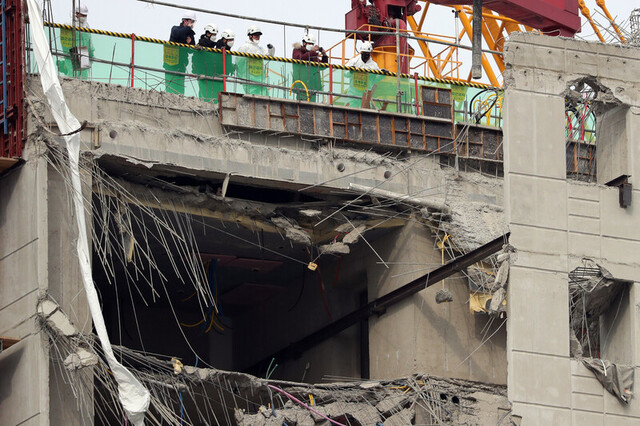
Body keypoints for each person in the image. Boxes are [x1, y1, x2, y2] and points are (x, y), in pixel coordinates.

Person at [193, 28, 236, 103]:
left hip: (219, 80)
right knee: (206, 97)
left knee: (217, 99)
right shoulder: (218, 49)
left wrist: (230, 68)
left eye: (232, 40)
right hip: (209, 77)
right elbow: (214, 63)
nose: (231, 42)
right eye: (229, 40)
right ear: (224, 40)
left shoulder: (227, 51)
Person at [57, 4, 94, 79]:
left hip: (83, 52)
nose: (84, 17)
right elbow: (65, 42)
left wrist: (91, 53)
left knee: (84, 77)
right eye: (82, 15)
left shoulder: (86, 26)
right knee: (72, 75)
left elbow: (88, 40)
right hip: (72, 53)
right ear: (77, 14)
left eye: (85, 15)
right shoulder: (69, 25)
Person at [236, 25, 275, 96]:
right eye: (256, 35)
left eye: (258, 35)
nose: (258, 37)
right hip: (249, 79)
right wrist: (241, 77)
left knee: (264, 98)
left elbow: (269, 57)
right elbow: (239, 63)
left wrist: (271, 49)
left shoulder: (260, 48)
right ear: (250, 36)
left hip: (260, 79)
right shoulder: (245, 47)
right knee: (252, 98)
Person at [163, 12, 197, 95]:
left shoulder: (190, 34)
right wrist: (188, 28)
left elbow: (191, 49)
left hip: (181, 64)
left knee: (180, 87)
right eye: (191, 22)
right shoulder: (175, 29)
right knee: (170, 86)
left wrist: (190, 43)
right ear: (185, 21)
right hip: (171, 63)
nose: (192, 24)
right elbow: (178, 34)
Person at [291, 33, 328, 102]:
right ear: (304, 43)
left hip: (312, 85)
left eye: (312, 44)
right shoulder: (297, 50)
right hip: (301, 83)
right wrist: (312, 52)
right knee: (301, 103)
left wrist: (324, 55)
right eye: (309, 43)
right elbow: (299, 58)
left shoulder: (312, 55)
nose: (311, 45)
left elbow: (322, 66)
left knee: (312, 104)